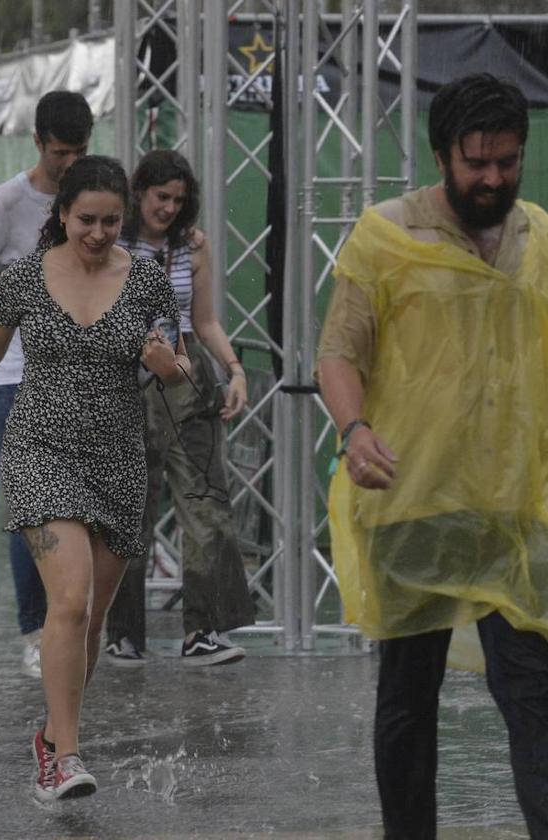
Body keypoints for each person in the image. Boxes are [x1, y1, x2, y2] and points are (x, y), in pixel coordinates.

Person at [319, 73, 548, 839]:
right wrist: (354, 432)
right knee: (408, 704)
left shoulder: (538, 238)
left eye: (508, 162)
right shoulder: (387, 235)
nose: (493, 178)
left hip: (513, 509)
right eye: (477, 162)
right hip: (413, 501)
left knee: (535, 696)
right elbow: (338, 355)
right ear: (442, 153)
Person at [0, 156, 186, 801]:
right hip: (42, 449)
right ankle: (64, 759)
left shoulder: (147, 278)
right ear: (61, 215)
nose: (98, 233)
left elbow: (179, 363)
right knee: (66, 604)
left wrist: (165, 364)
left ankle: (50, 735)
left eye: (111, 221)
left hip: (120, 457)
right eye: (86, 220)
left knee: (91, 618)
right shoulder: (23, 279)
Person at [0, 89, 93, 677]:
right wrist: (30, 293)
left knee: (58, 507)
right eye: (59, 151)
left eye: (78, 151)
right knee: (13, 502)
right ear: (37, 143)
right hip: (6, 369)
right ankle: (26, 626)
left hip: (71, 374)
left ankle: (55, 625)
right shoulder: (7, 201)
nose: (68, 162)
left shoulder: (89, 202)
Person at [104, 150, 255, 667]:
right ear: (138, 192)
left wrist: (234, 369)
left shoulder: (191, 248)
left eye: (177, 200)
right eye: (159, 196)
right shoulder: (111, 240)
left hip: (186, 376)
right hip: (124, 379)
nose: (167, 208)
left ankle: (202, 631)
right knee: (128, 511)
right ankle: (122, 633)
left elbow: (206, 319)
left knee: (206, 505)